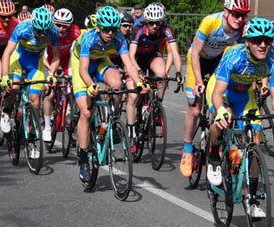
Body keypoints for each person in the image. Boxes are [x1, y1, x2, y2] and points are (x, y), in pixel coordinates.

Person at [206, 18, 274, 217]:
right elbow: (217, 93)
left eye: (267, 40)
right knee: (223, 119)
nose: (262, 44)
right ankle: (213, 156)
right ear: (247, 41)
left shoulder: (273, 61)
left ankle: (252, 199)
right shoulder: (234, 56)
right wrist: (220, 110)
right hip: (222, 91)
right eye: (256, 40)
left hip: (244, 96)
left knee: (255, 139)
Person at [71, 6, 143, 182]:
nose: (110, 33)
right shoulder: (88, 38)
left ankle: (112, 118)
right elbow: (83, 70)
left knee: (117, 84)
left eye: (113, 29)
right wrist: (91, 85)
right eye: (106, 29)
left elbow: (129, 64)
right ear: (98, 28)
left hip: (101, 60)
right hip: (82, 63)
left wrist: (140, 83)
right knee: (86, 112)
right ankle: (82, 158)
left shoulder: (119, 38)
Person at [180, 0, 251, 178]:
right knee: (195, 110)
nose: (239, 18)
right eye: (236, 14)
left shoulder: (242, 29)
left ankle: (215, 139)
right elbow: (195, 52)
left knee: (220, 101)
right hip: (197, 59)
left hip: (217, 62)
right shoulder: (210, 22)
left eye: (243, 15)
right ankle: (187, 149)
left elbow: (242, 54)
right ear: (226, 11)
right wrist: (198, 80)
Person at [0, 7, 60, 158]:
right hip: (18, 59)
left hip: (35, 63)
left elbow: (56, 57)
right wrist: (5, 75)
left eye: (43, 31)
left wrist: (51, 74)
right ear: (33, 24)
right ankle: (6, 112)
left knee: (35, 102)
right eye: (38, 31)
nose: (41, 34)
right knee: (13, 86)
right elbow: (7, 52)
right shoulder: (22, 28)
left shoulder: (53, 32)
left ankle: (31, 139)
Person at [127, 3, 183, 142]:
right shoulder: (138, 29)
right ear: (146, 22)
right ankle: (135, 121)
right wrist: (138, 70)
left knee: (162, 74)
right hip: (137, 59)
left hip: (152, 56)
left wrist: (178, 72)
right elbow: (131, 55)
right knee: (136, 94)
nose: (154, 26)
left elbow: (175, 53)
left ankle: (157, 104)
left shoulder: (166, 29)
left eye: (157, 23)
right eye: (151, 23)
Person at [42, 8, 81, 142]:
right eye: (58, 25)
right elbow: (42, 55)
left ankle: (69, 107)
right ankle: (47, 127)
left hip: (66, 61)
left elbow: (77, 53)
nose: (62, 29)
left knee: (74, 85)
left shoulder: (76, 32)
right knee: (50, 92)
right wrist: (51, 71)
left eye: (65, 26)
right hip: (49, 61)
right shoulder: (48, 32)